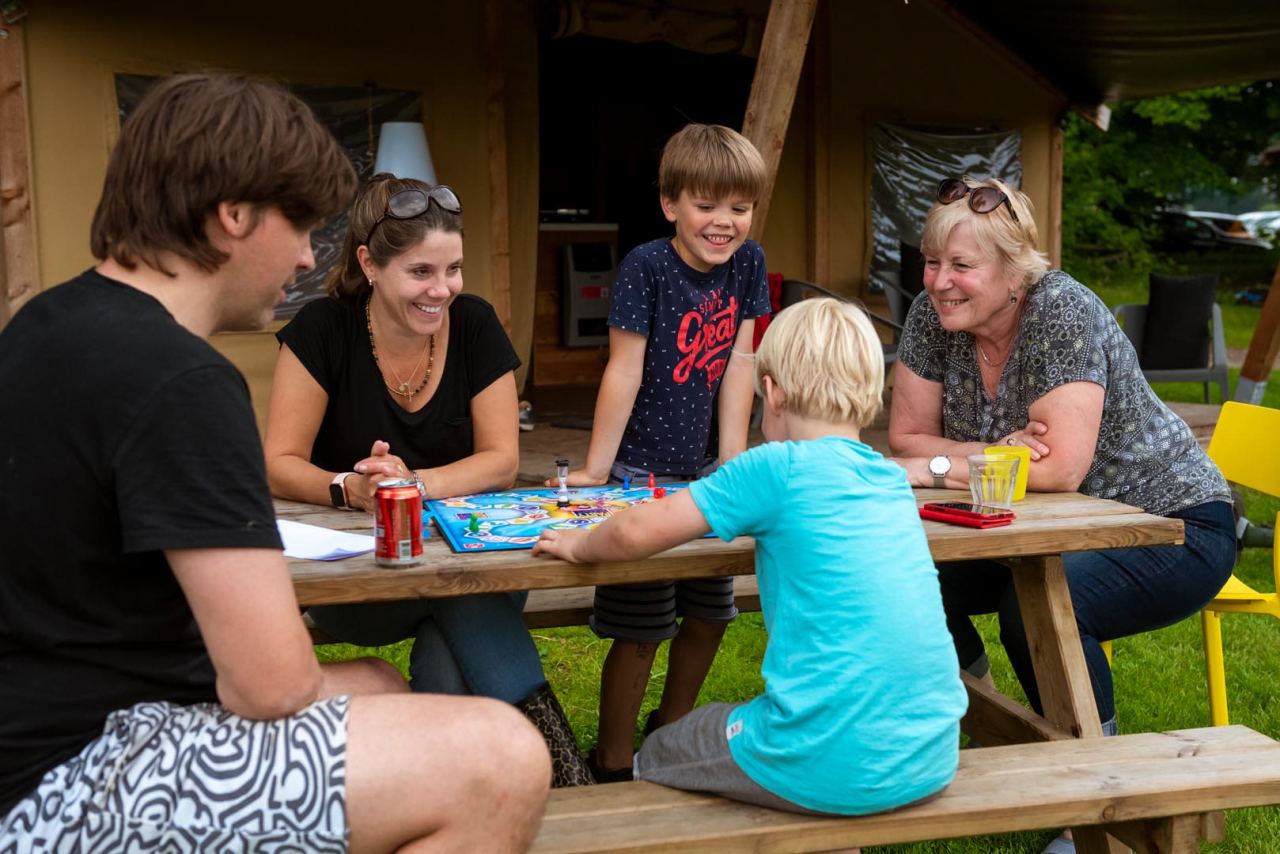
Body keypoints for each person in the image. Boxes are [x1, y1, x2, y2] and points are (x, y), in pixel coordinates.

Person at [0, 74, 550, 851]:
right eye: (299, 226)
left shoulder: (41, 327)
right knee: (500, 758)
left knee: (384, 687)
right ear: (233, 216)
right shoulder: (182, 380)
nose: (303, 257)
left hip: (44, 723)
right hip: (72, 781)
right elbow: (274, 685)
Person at [535, 297, 968, 815]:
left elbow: (635, 533)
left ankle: (630, 796)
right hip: (929, 755)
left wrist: (580, 543)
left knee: (666, 745)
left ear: (773, 393)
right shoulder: (889, 479)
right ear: (871, 394)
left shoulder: (773, 468)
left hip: (824, 759)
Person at [263, 173, 592, 787]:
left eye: (454, 270)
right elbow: (278, 460)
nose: (442, 290)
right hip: (366, 580)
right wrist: (349, 487)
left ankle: (446, 790)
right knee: (465, 606)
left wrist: (414, 482)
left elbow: (499, 458)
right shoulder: (321, 331)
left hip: (474, 561)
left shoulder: (474, 324)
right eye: (421, 273)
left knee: (456, 620)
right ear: (368, 263)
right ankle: (561, 776)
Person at [888, 176, 1236, 734]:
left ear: (1015, 270)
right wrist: (999, 452)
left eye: (961, 265)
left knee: (1033, 610)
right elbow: (906, 438)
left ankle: (1095, 786)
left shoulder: (1061, 310)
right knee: (896, 570)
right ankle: (981, 713)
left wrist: (936, 465)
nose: (939, 282)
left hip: (1171, 521)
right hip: (1025, 529)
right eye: (932, 263)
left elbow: (1057, 468)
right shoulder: (936, 314)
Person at [554, 123, 772, 781]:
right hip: (641, 475)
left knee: (710, 616)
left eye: (738, 207)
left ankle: (668, 735)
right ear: (670, 204)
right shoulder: (646, 267)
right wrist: (597, 467)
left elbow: (741, 359)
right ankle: (615, 758)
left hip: (707, 476)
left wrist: (733, 453)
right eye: (707, 205)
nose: (724, 222)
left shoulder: (749, 264)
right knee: (643, 627)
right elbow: (623, 370)